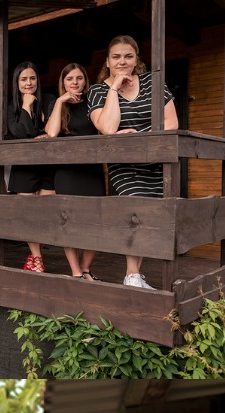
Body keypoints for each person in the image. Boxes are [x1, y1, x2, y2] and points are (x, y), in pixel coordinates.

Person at [87, 35, 178, 289]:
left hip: (156, 163)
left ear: (136, 59)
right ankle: (131, 275)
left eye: (128, 56)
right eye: (116, 57)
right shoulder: (98, 90)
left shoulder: (152, 82)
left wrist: (142, 137)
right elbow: (107, 127)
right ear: (107, 60)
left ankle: (135, 276)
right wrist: (114, 88)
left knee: (151, 216)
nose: (122, 61)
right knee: (136, 210)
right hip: (124, 165)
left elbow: (171, 123)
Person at [45, 62, 104, 280]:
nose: (75, 83)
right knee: (68, 221)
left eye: (79, 78)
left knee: (94, 221)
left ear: (85, 81)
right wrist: (61, 101)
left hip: (92, 169)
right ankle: (75, 271)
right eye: (69, 79)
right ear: (63, 82)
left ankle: (86, 268)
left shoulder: (93, 102)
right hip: (67, 171)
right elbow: (51, 134)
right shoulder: (56, 104)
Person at [7, 60, 55, 274]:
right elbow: (19, 133)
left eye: (32, 78)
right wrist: (26, 106)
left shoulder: (50, 101)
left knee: (45, 215)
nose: (29, 83)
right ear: (17, 82)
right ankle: (37, 258)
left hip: (47, 165)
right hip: (24, 166)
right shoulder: (11, 108)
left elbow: (54, 131)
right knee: (28, 215)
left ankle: (35, 256)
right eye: (24, 79)